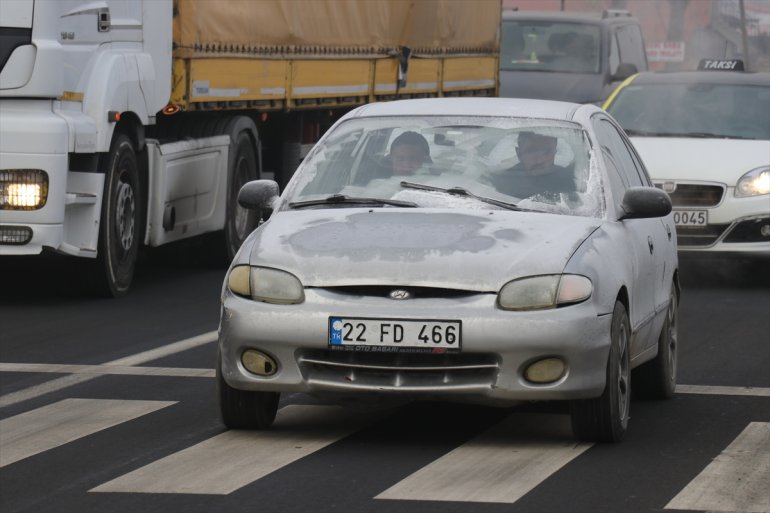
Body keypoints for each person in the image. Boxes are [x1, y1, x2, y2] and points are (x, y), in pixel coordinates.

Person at [490, 131, 575, 199]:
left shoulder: (569, 181)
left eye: (546, 151)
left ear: (554, 152)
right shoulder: (503, 184)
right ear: (519, 153)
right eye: (531, 151)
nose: (540, 159)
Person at [354, 131, 432, 184]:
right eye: (400, 159)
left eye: (413, 159)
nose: (406, 165)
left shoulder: (439, 187)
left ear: (426, 160)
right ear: (391, 161)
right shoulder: (375, 188)